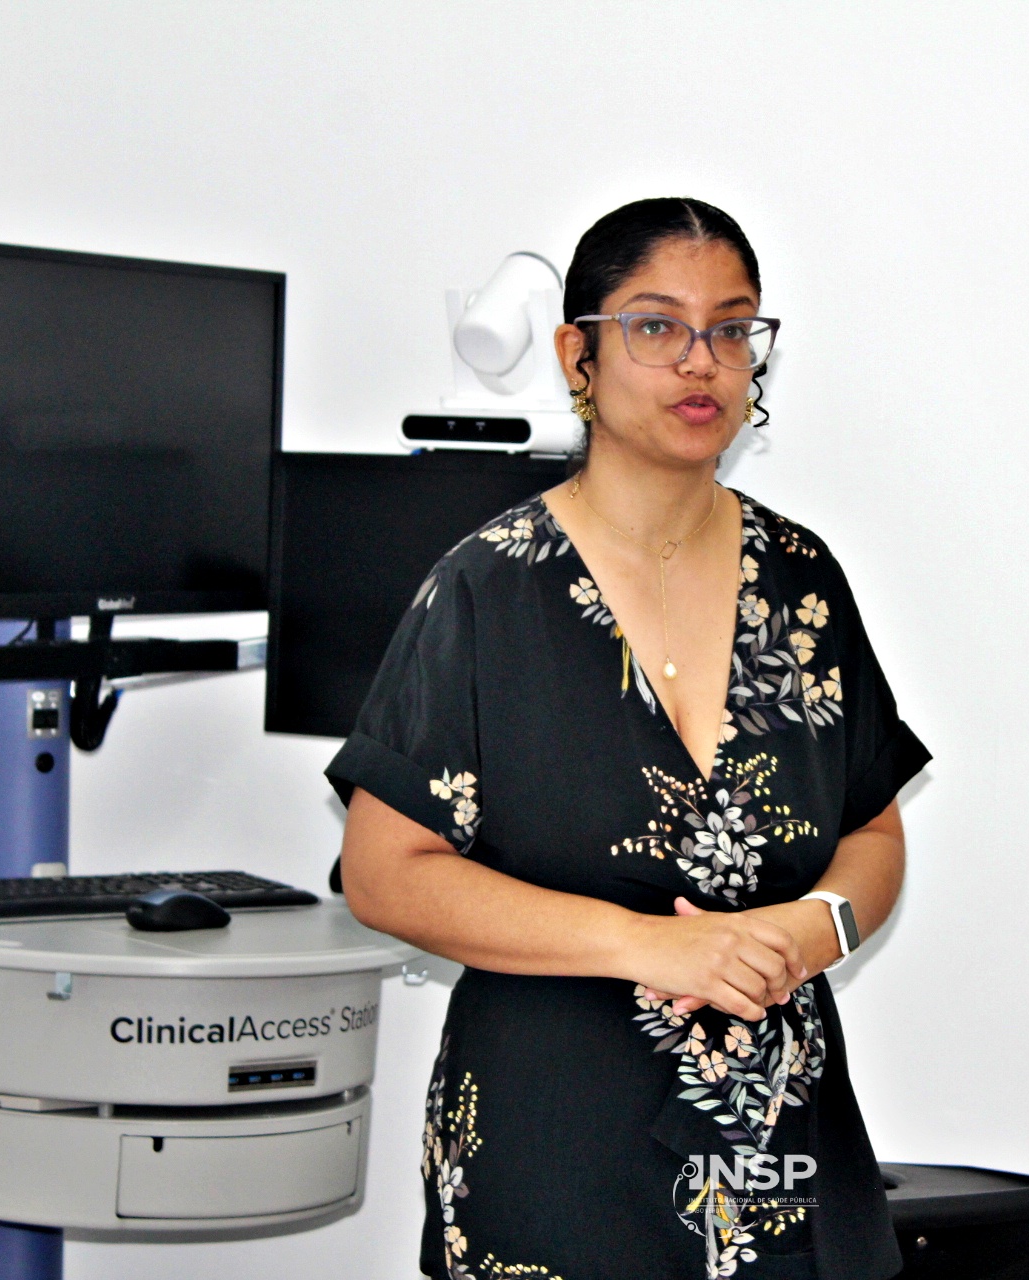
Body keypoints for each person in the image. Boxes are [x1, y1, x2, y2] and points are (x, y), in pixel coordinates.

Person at [329, 197, 930, 1280]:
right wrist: (645, 943)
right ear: (580, 355)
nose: (700, 360)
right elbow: (384, 872)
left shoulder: (802, 579)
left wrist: (811, 931)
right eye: (656, 325)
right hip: (552, 1145)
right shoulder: (486, 589)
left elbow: (874, 832)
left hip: (776, 1148)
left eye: (731, 328)